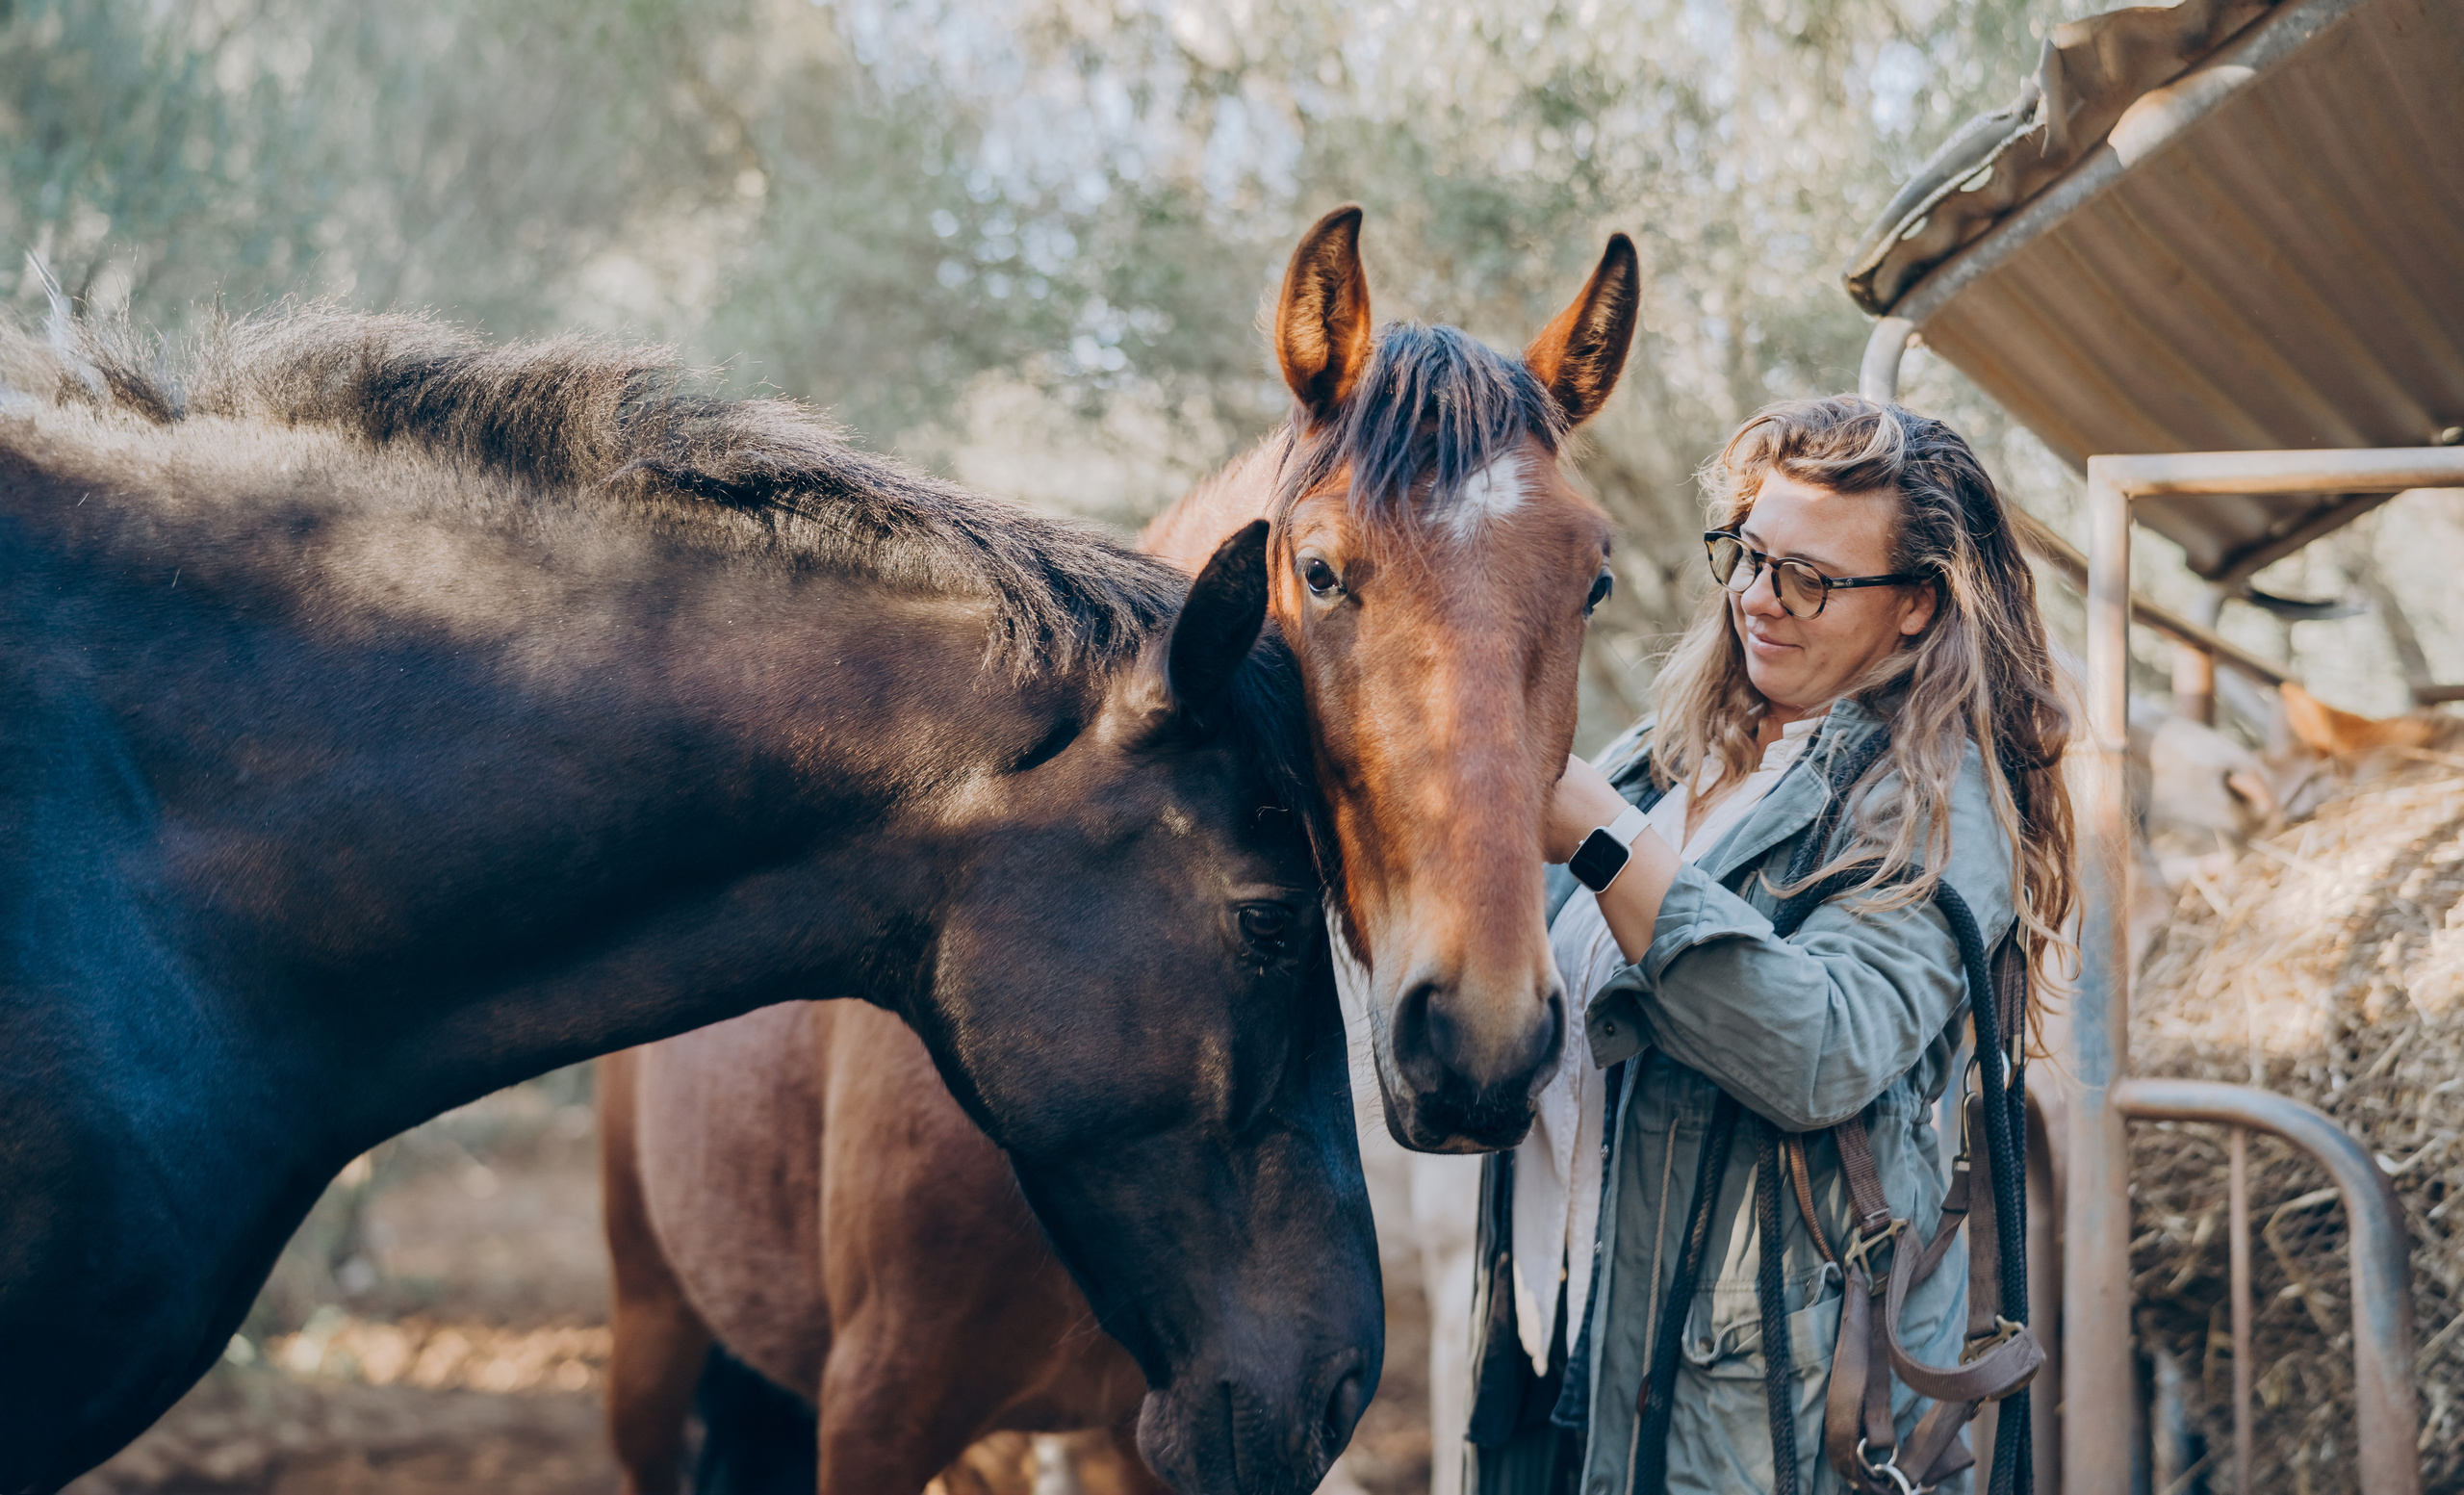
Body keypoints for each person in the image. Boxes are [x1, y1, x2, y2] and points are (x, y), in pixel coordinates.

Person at [1464, 396, 2074, 1495]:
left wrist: (1605, 844)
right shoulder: (1657, 759)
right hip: (1556, 1346)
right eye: (1748, 555)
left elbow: (1822, 1048)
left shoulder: (1936, 807)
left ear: (1918, 605)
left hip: (1752, 1427)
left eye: (1809, 579)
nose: (1756, 597)